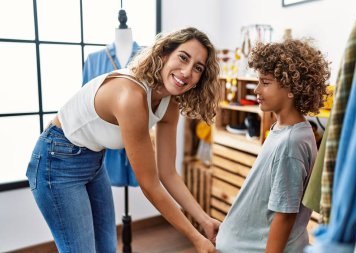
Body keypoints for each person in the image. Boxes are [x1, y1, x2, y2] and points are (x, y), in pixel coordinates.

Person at [26, 27, 221, 253]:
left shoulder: (170, 102)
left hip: (93, 160)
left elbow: (167, 173)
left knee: (107, 248)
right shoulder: (131, 95)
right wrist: (195, 238)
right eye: (183, 57)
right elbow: (150, 184)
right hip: (56, 160)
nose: (187, 72)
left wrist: (204, 220)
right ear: (164, 54)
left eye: (198, 68)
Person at [216, 39, 330, 253]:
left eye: (265, 83)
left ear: (292, 89)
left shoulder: (291, 143)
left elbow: (285, 215)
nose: (257, 90)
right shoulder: (283, 129)